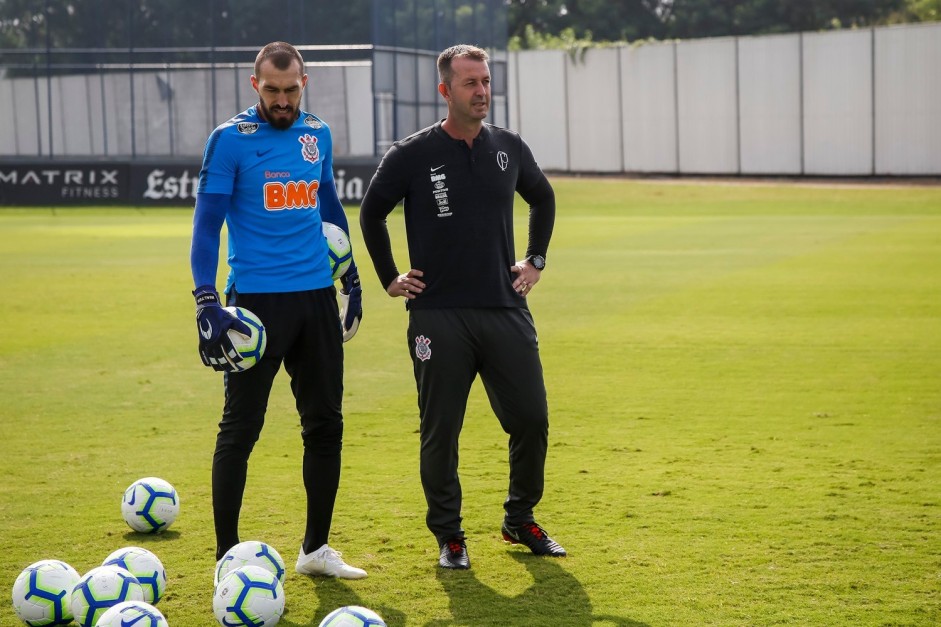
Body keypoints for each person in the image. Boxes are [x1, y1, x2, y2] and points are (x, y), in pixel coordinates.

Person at [359, 44, 566, 570]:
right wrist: (390, 277)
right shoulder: (410, 154)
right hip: (438, 314)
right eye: (470, 83)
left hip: (503, 307)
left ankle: (520, 520)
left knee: (532, 418)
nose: (482, 92)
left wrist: (535, 260)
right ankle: (450, 537)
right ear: (445, 90)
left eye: (486, 81)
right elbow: (371, 214)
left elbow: (542, 197)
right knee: (441, 431)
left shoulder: (509, 148)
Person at [189, 41, 366, 580]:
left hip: (315, 300)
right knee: (240, 429)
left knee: (325, 426)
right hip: (255, 308)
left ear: (304, 84)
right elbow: (206, 224)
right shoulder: (229, 141)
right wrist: (205, 299)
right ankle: (226, 556)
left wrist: (350, 272)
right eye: (272, 91)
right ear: (255, 85)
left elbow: (327, 202)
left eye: (291, 91)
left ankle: (315, 550)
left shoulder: (318, 134)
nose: (283, 101)